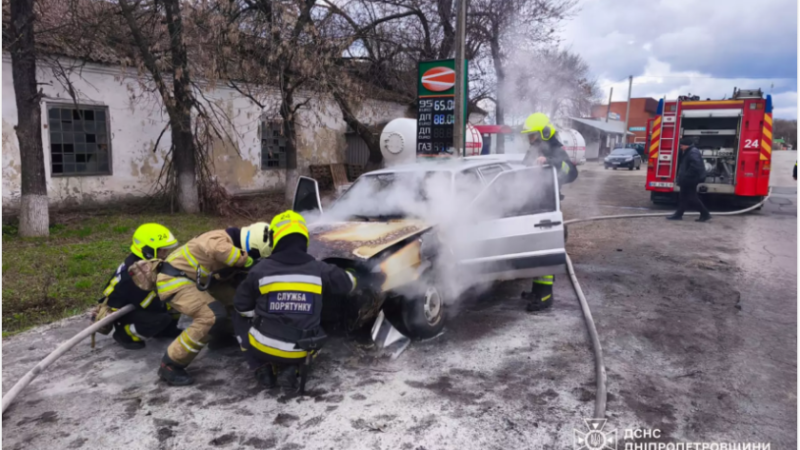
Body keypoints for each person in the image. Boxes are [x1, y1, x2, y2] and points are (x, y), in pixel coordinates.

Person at [232, 210, 359, 390]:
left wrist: (264, 312)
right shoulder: (320, 269)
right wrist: (355, 273)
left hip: (264, 347)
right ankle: (294, 367)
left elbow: (241, 306)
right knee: (321, 316)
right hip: (305, 348)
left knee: (238, 317)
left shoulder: (259, 270)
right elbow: (350, 283)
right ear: (304, 238)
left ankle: (260, 367)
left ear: (275, 239)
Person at [155, 222, 272, 386]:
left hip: (200, 282)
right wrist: (248, 260)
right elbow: (221, 251)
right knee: (211, 316)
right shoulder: (218, 239)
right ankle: (171, 363)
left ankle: (220, 336)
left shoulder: (230, 243)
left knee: (238, 304)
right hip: (174, 281)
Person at [520, 113, 578, 312]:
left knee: (545, 250)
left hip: (547, 207)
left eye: (533, 135)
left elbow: (571, 172)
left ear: (544, 133)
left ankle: (545, 295)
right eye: (529, 136)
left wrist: (551, 161)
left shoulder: (556, 149)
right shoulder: (533, 150)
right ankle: (537, 291)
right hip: (534, 204)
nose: (530, 139)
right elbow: (523, 169)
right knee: (537, 251)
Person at [101, 223, 181, 350]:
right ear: (148, 250)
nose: (166, 253)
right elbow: (147, 302)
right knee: (161, 317)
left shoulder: (144, 262)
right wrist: (166, 300)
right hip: (122, 310)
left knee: (176, 297)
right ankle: (125, 334)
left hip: (137, 298)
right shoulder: (134, 273)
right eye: (162, 250)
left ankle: (166, 331)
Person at [667, 137, 710, 222]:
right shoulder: (689, 151)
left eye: (682, 145)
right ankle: (678, 214)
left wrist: (686, 176)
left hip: (690, 179)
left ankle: (705, 214)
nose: (680, 147)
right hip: (688, 179)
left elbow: (695, 166)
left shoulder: (692, 152)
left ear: (686, 145)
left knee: (692, 198)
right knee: (683, 197)